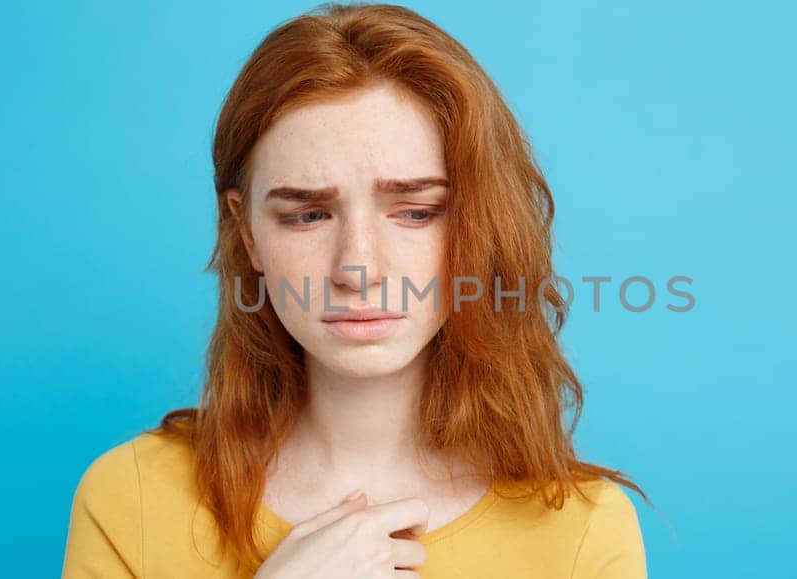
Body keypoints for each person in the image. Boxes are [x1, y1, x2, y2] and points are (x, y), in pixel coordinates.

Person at [62, 4, 648, 577]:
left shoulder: (583, 529)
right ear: (247, 232)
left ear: (479, 226)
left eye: (416, 213)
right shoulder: (129, 499)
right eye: (308, 215)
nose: (359, 269)